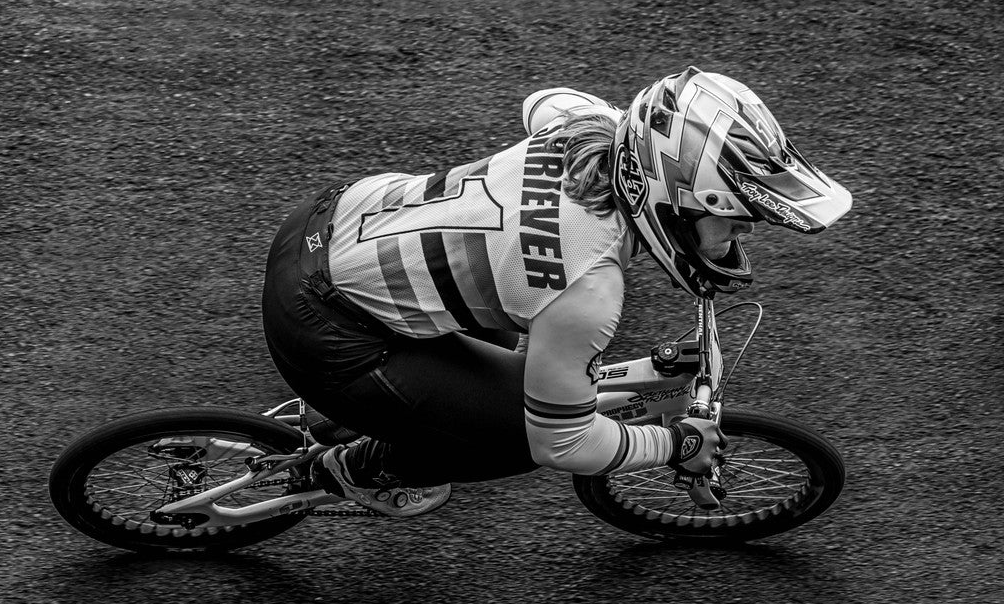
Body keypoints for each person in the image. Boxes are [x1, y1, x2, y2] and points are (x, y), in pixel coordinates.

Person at [261, 66, 852, 517]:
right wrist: (672, 443)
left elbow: (542, 101)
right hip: (326, 331)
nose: (744, 230)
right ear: (667, 202)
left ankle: (359, 413)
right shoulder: (586, 294)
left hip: (328, 222)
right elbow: (562, 446)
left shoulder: (587, 125)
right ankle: (356, 468)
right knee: (517, 432)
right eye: (730, 214)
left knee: (499, 340)